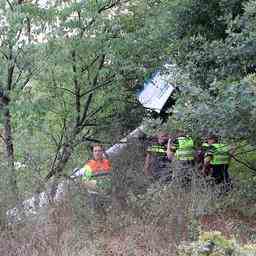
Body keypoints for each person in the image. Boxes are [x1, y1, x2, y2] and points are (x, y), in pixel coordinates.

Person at [81, 144, 112, 212]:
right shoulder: (89, 165)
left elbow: (111, 176)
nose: (97, 153)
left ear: (102, 152)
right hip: (95, 195)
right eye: (95, 151)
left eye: (99, 150)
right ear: (93, 152)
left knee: (110, 213)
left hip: (108, 193)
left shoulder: (107, 162)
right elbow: (85, 182)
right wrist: (98, 187)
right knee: (98, 216)